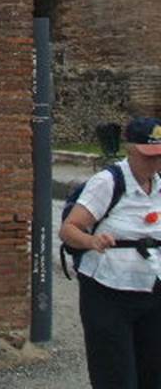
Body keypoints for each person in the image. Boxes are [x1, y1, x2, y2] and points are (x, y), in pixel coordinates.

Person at [60, 116, 161, 389]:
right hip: (107, 293)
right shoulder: (108, 182)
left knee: (153, 376)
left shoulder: (159, 185)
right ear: (130, 148)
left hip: (152, 291)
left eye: (159, 156)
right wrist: (92, 241)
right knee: (116, 378)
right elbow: (69, 229)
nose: (154, 163)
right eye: (147, 156)